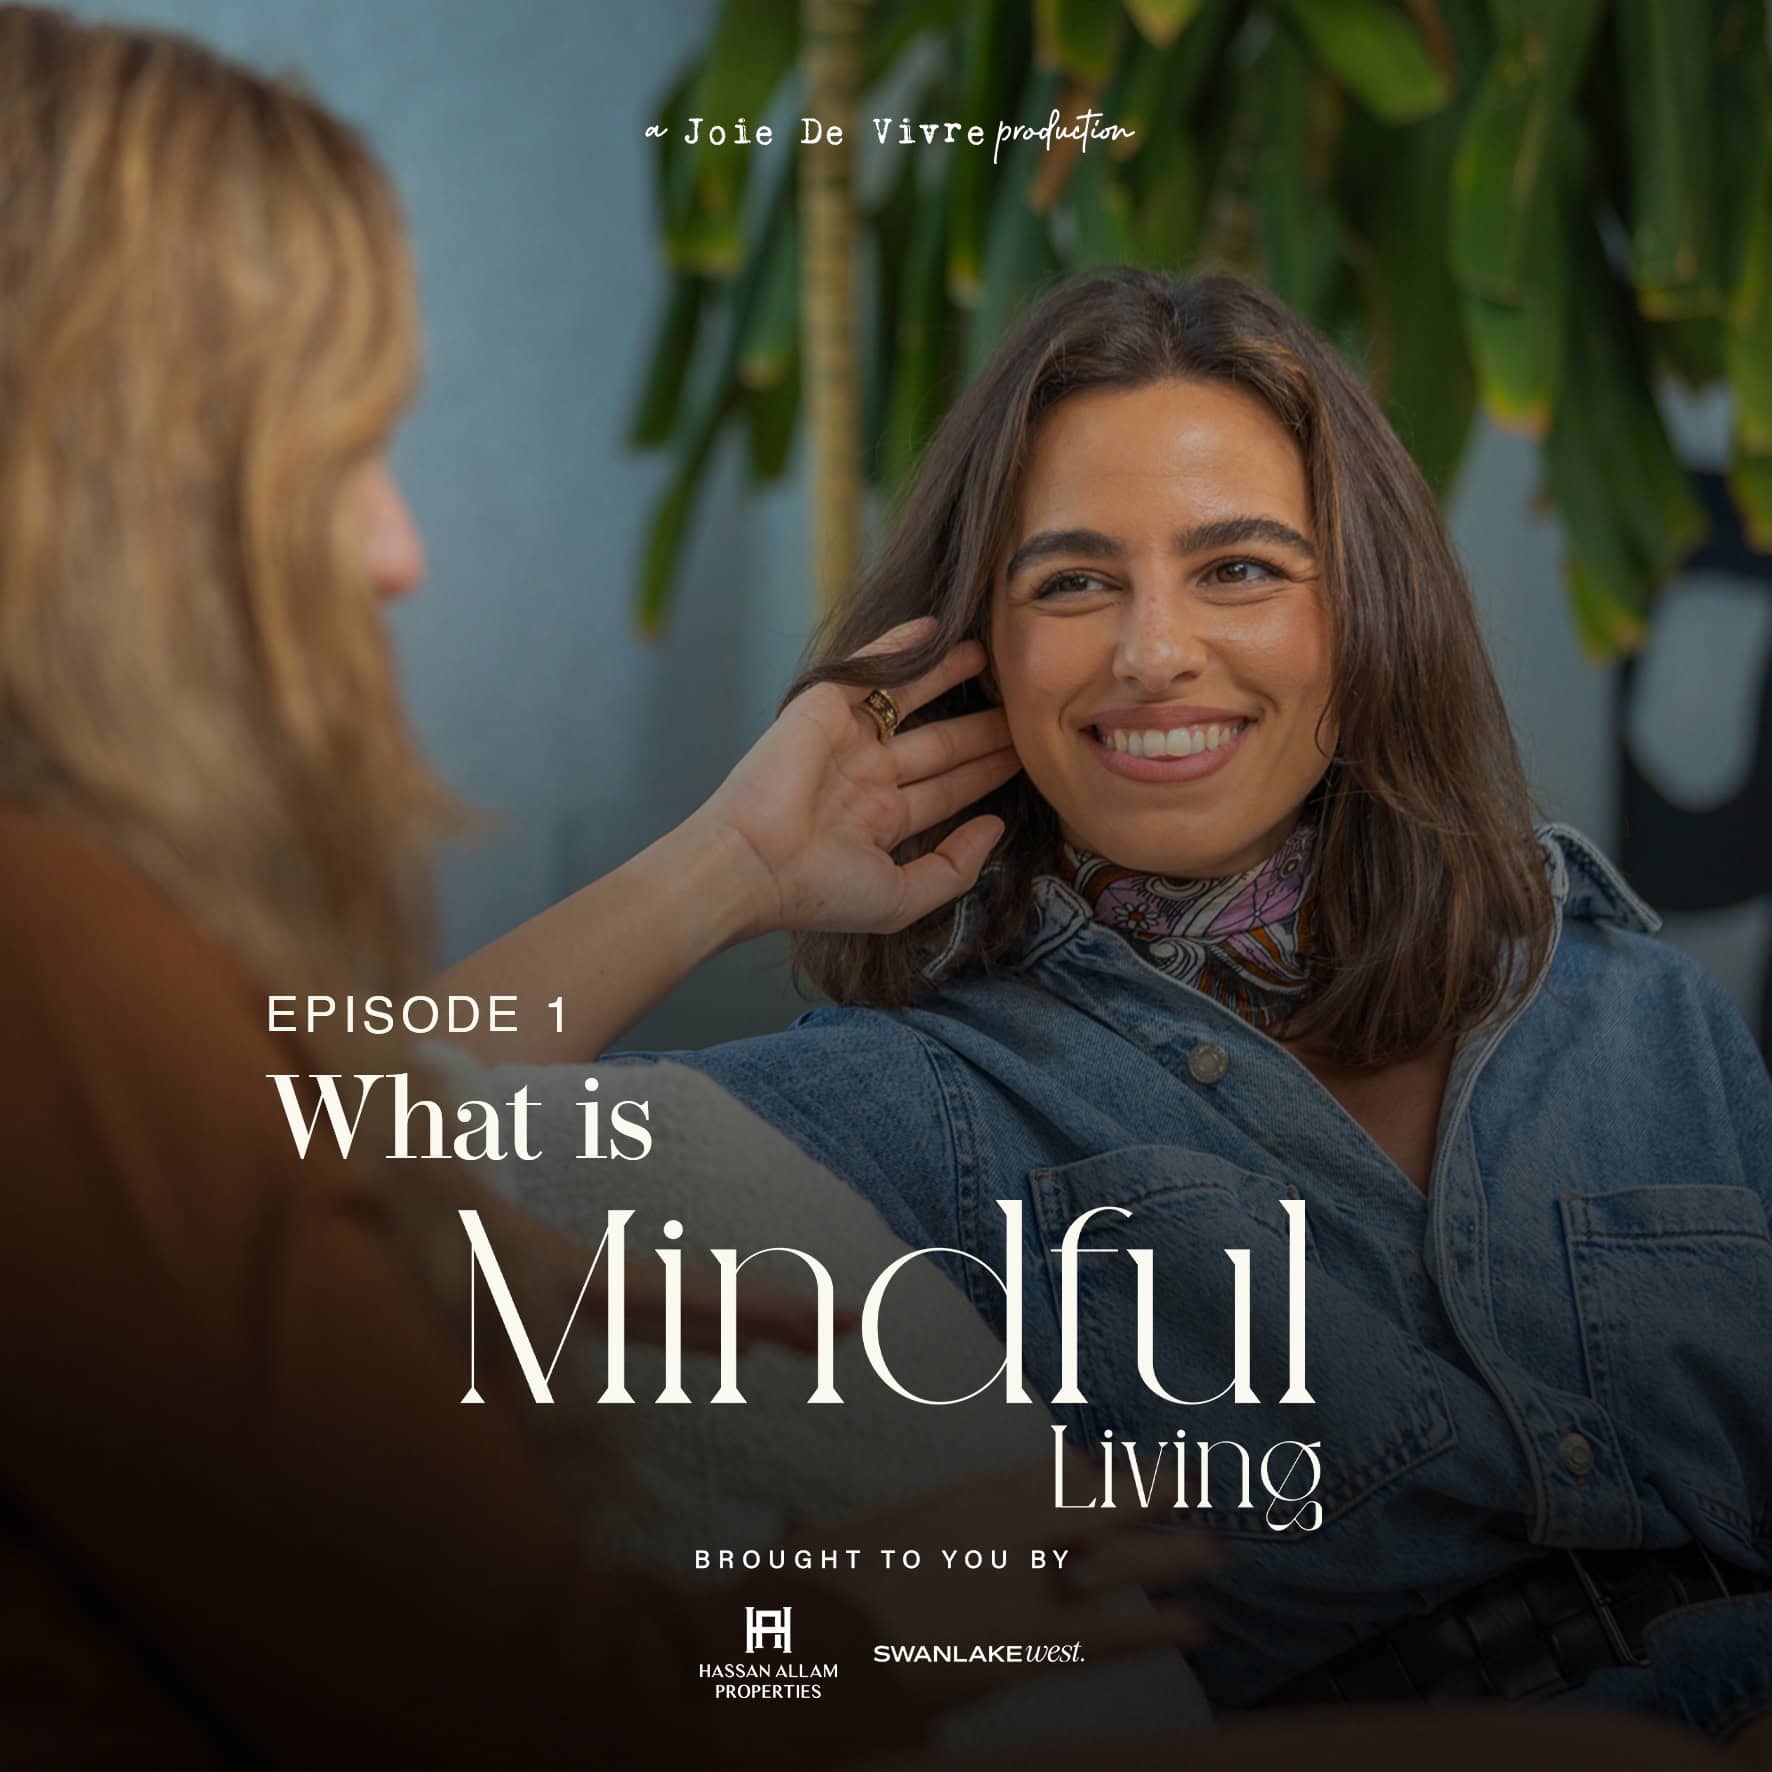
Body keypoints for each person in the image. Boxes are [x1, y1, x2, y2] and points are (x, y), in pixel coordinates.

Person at [0, 8, 1223, 1764]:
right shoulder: (48, 954)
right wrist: (870, 1615)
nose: (398, 548)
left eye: (1241, 569)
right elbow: (540, 1713)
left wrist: (734, 865)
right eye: (326, 456)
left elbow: (338, 1118)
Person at [437, 268, 1772, 1746]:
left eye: (1240, 568)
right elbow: (323, 1142)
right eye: (1072, 583)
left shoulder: (1632, 1001)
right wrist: (727, 865)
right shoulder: (916, 1103)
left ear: (1366, 617)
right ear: (981, 654)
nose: (1153, 651)